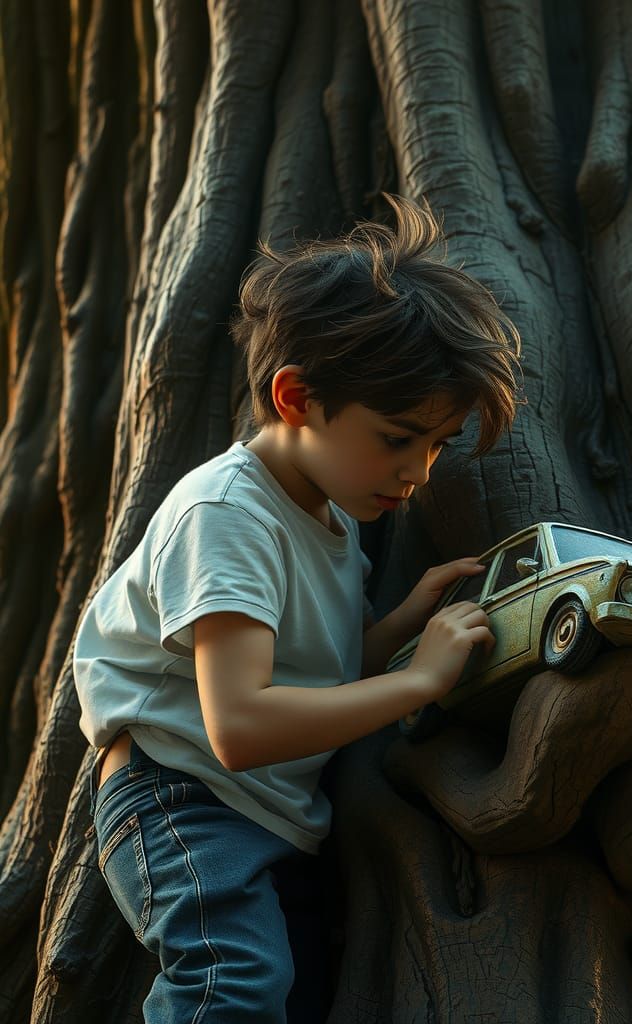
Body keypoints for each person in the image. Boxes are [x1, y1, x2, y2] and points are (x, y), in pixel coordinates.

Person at [73, 193, 524, 1023]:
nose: (420, 472)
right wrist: (418, 682)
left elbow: (317, 675)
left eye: (437, 444)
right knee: (234, 985)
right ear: (294, 397)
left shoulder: (331, 518)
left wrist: (400, 629)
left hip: (277, 820)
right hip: (182, 798)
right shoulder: (229, 515)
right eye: (398, 438)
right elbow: (241, 726)